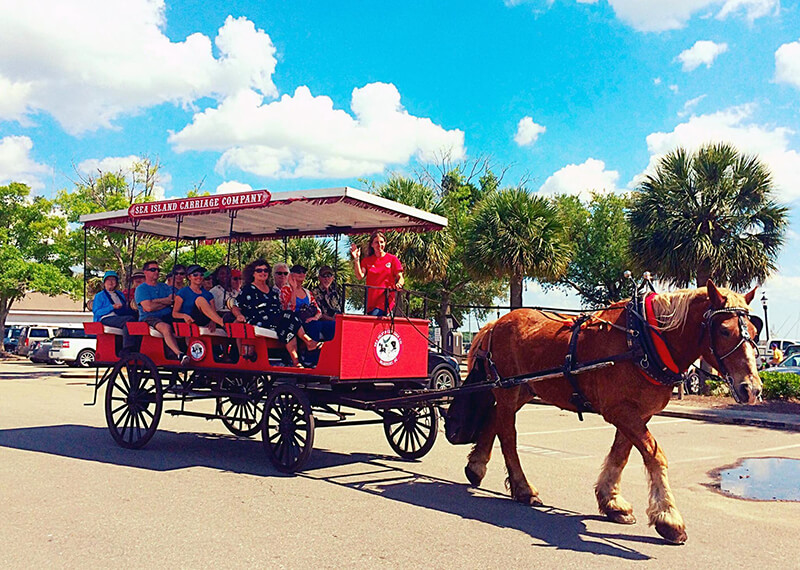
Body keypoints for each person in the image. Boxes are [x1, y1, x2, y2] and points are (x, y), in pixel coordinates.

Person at [237, 259, 323, 367]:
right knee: (288, 318)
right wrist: (238, 316)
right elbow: (235, 305)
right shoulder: (248, 289)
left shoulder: (272, 292)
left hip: (275, 319)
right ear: (253, 273)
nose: (263, 273)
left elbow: (288, 308)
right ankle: (307, 342)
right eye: (259, 270)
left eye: (265, 270)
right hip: (258, 319)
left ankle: (296, 361)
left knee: (288, 325)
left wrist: (293, 289)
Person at [135, 260, 189, 365]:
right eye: (153, 270)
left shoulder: (164, 287)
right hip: (149, 318)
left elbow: (172, 300)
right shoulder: (141, 289)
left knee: (187, 324)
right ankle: (179, 354)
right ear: (145, 272)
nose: (156, 272)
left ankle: (191, 351)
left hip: (167, 314)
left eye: (158, 270)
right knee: (165, 327)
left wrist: (155, 301)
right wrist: (165, 302)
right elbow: (148, 308)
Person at [350, 231, 404, 316]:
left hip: (385, 298)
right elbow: (360, 276)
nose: (379, 245)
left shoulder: (392, 259)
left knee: (375, 314)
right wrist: (356, 259)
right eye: (376, 242)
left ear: (385, 243)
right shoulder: (367, 261)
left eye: (381, 242)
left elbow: (400, 276)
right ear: (372, 245)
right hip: (371, 300)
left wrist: (399, 284)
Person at [280, 265, 331, 341]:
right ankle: (312, 351)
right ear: (291, 274)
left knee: (333, 325)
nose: (301, 274)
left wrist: (315, 318)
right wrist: (293, 289)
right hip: (296, 322)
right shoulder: (285, 289)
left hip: (310, 321)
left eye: (303, 272)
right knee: (314, 326)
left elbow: (318, 311)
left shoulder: (308, 292)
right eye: (298, 271)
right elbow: (289, 308)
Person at [92, 270, 137, 353]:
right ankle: (127, 348)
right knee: (129, 320)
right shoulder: (99, 296)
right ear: (104, 282)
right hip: (106, 318)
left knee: (135, 319)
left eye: (113, 280)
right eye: (109, 280)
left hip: (119, 317)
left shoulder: (120, 294)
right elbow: (97, 312)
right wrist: (112, 307)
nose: (111, 282)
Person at [172, 265, 227, 331]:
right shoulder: (183, 292)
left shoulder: (208, 294)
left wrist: (213, 321)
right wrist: (184, 316)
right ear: (189, 277)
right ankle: (223, 323)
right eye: (195, 275)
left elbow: (213, 312)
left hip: (203, 320)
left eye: (201, 275)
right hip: (189, 320)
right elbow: (174, 313)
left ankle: (223, 323)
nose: (199, 277)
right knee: (200, 299)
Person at [310, 265, 340, 341]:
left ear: (332, 278)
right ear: (319, 278)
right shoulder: (314, 292)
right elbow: (319, 313)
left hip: (337, 321)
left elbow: (339, 309)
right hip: (322, 322)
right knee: (333, 327)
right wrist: (333, 320)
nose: (326, 279)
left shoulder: (335, 292)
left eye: (329, 276)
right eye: (324, 276)